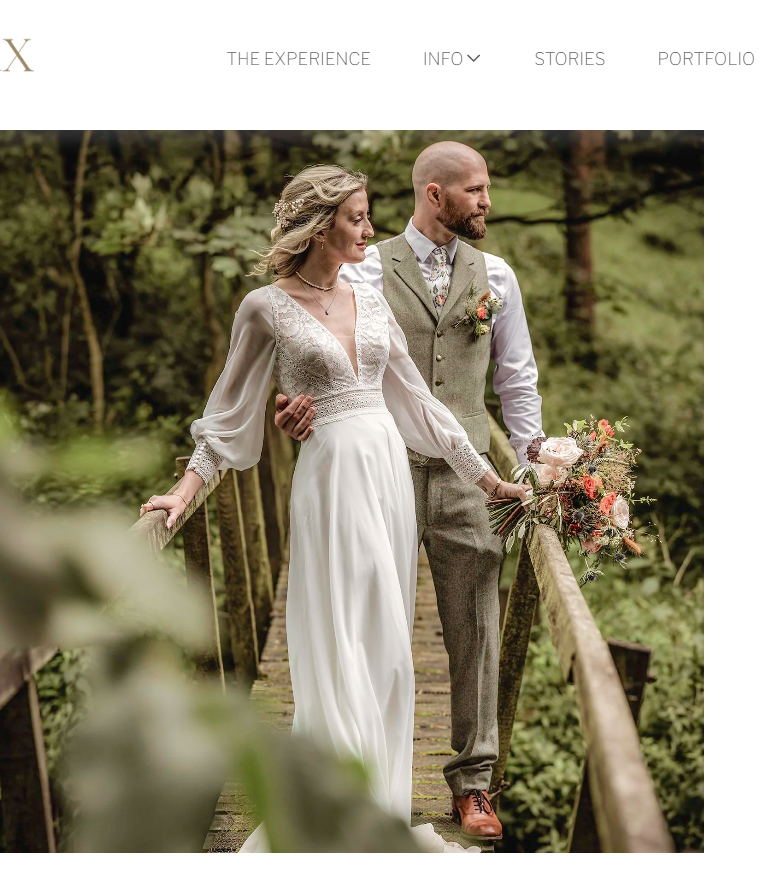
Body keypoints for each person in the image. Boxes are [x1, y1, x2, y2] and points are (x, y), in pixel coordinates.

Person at [138, 164, 529, 853]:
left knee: (388, 650)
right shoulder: (264, 307)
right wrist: (184, 490)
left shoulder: (369, 300)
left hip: (384, 475)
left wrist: (485, 475)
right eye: (357, 218)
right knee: (336, 641)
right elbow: (226, 417)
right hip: (329, 481)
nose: (369, 230)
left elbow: (418, 402)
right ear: (319, 225)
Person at [271, 141, 544, 842]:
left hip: (465, 465)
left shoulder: (500, 277)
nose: (488, 201)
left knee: (476, 615)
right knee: (375, 620)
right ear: (434, 193)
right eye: (476, 189)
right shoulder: (364, 264)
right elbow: (312, 335)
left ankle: (474, 781)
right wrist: (297, 402)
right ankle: (356, 769)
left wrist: (534, 463)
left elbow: (516, 378)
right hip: (381, 464)